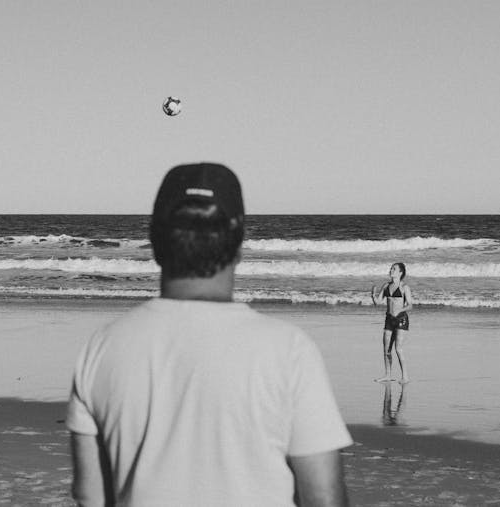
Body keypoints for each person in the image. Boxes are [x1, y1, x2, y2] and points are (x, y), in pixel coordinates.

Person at [67, 163, 352, 506]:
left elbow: (90, 496)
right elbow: (323, 497)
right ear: (239, 245)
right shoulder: (288, 351)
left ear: (155, 242)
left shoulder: (103, 348)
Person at [371, 262, 413, 384]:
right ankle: (387, 375)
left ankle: (405, 377)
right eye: (391, 268)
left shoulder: (405, 287)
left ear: (400, 272)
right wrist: (373, 295)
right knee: (386, 350)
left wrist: (401, 309)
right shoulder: (386, 286)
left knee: (398, 349)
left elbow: (410, 305)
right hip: (389, 319)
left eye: (394, 269)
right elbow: (378, 302)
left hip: (401, 319)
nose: (391, 270)